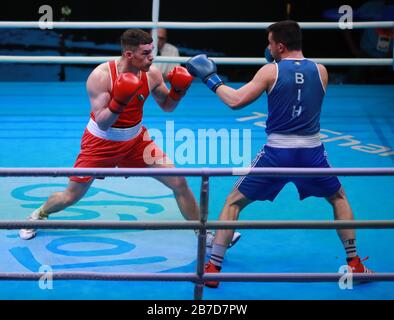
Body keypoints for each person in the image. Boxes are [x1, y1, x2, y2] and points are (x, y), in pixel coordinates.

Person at [186, 20, 372, 288]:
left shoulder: (269, 71)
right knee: (338, 197)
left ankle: (213, 267)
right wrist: (275, 66)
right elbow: (301, 95)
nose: (268, 47)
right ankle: (354, 263)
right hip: (312, 152)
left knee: (233, 203)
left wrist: (210, 78)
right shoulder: (321, 71)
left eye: (271, 43)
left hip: (277, 153)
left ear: (280, 46)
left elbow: (235, 101)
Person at [19, 29, 241, 249]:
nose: (151, 57)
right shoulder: (101, 77)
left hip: (136, 142)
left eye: (151, 51)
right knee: (70, 197)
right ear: (128, 55)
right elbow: (103, 121)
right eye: (145, 53)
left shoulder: (152, 74)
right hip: (100, 143)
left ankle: (204, 234)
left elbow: (167, 107)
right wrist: (120, 99)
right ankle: (39, 214)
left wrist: (178, 91)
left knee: (179, 182)